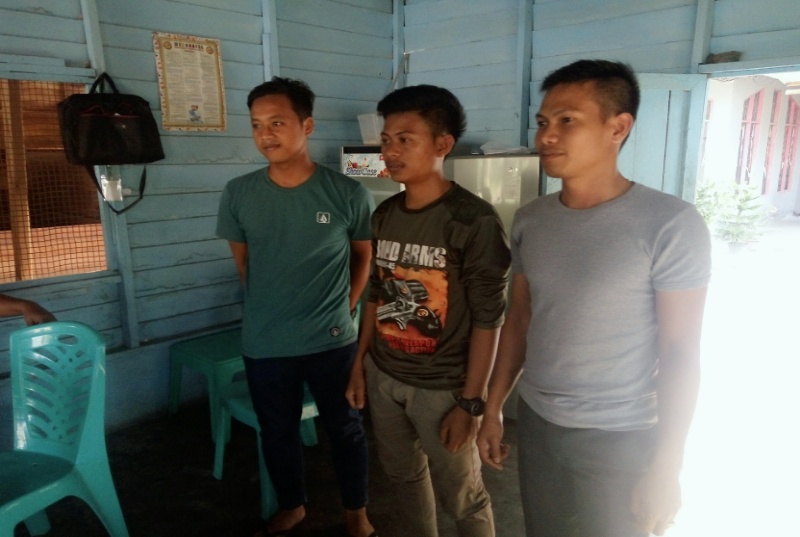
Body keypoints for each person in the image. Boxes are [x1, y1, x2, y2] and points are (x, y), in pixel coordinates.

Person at [476, 59, 712, 537]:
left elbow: (680, 351)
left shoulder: (669, 223)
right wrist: (493, 406)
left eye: (567, 120)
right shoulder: (531, 219)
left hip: (620, 437)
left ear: (618, 127)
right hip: (539, 422)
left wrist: (667, 468)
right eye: (543, 121)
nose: (547, 135)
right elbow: (519, 319)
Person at [346, 84, 511, 537]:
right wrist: (360, 364)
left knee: (463, 497)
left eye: (405, 139)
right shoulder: (385, 214)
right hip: (385, 376)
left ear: (442, 144)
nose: (391, 151)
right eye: (386, 140)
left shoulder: (473, 220)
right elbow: (376, 293)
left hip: (443, 389)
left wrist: (471, 403)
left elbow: (489, 318)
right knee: (403, 479)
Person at [216, 77, 377, 537]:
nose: (265, 134)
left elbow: (363, 257)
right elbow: (245, 265)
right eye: (256, 124)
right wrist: (271, 307)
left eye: (277, 122)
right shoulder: (239, 193)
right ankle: (293, 505)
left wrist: (345, 305)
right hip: (266, 341)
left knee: (345, 428)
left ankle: (357, 512)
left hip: (331, 340)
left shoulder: (347, 193)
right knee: (276, 429)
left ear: (307, 126)